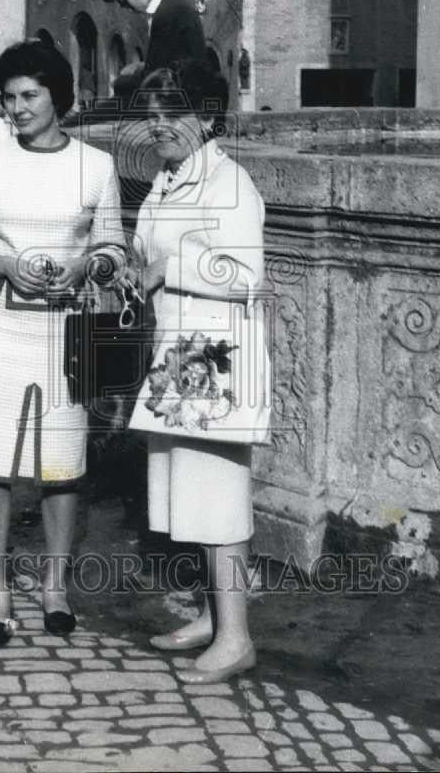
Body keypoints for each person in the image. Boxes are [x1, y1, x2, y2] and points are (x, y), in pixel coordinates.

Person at [0, 41, 125, 645]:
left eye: (29, 95)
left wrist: (85, 270)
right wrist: (4, 265)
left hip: (61, 333)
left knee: (61, 467)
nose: (16, 108)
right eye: (8, 97)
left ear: (58, 97)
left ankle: (55, 588)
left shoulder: (96, 166)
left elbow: (114, 251)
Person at [132, 59, 268, 684]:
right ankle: (214, 620)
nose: (159, 127)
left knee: (217, 496)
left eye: (172, 116)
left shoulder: (231, 182)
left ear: (208, 117)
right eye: (152, 117)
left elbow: (245, 278)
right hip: (177, 356)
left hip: (216, 357)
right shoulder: (170, 177)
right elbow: (146, 251)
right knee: (188, 493)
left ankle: (238, 637)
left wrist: (170, 268)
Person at [103, 0, 205, 73]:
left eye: (124, 3)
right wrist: (143, 67)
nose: (126, 8)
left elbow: (158, 72)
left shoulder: (166, 14)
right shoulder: (173, 5)